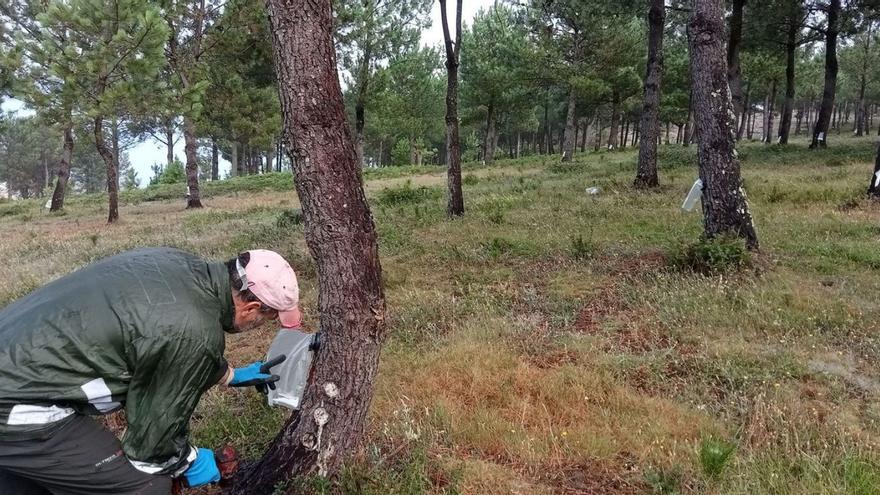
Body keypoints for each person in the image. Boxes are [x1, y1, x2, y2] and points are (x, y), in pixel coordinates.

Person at [0, 247, 302, 494]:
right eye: (267, 319)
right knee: (147, 485)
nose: (259, 326)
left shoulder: (176, 264)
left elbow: (157, 338)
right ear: (251, 309)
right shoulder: (193, 331)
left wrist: (231, 376)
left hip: (13, 357)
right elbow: (151, 447)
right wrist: (189, 461)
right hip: (16, 403)